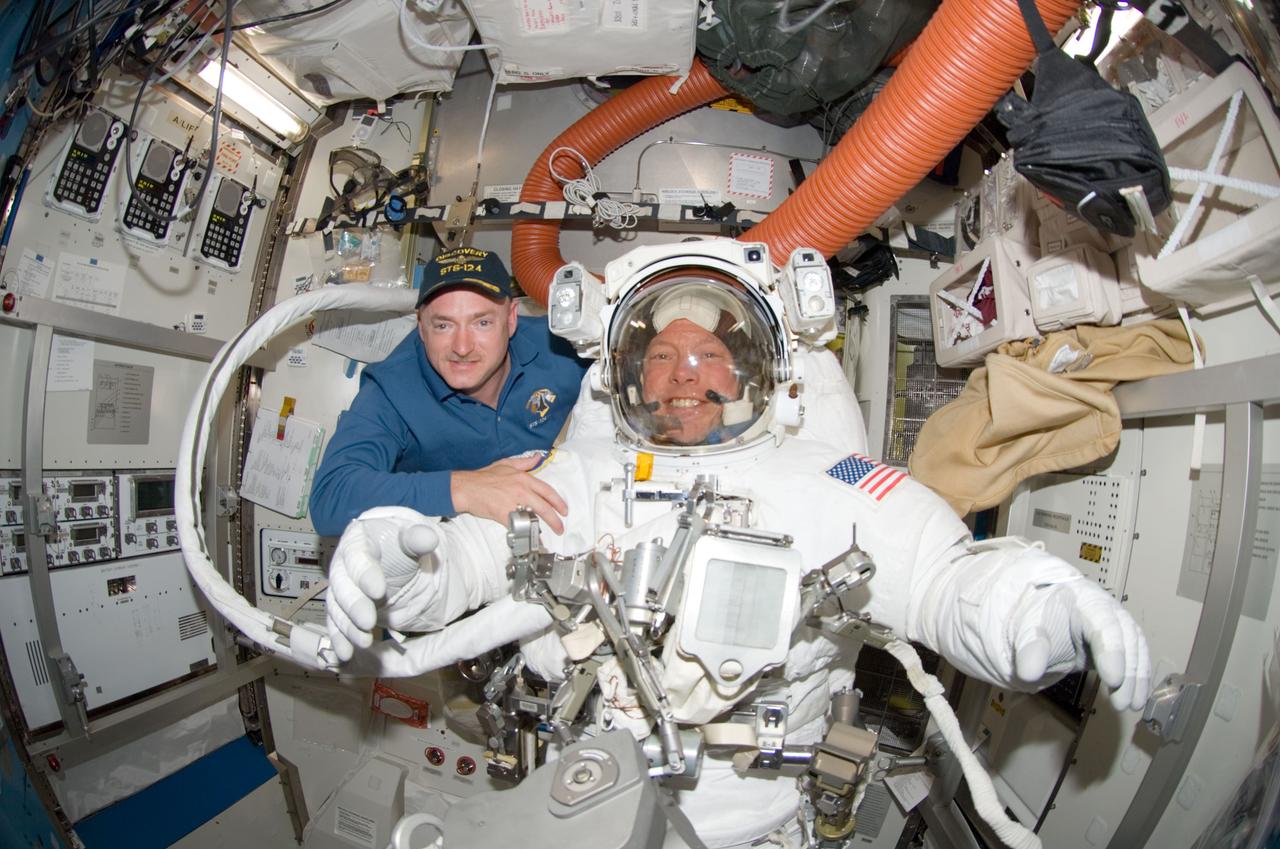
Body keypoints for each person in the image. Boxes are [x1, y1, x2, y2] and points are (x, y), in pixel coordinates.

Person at [320, 253, 1151, 847]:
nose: (687, 374)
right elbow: (463, 561)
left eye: (710, 354)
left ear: (752, 371)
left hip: (761, 820)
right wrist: (400, 566)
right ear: (630, 380)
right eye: (663, 357)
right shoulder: (580, 471)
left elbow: (942, 575)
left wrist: (1033, 606)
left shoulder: (830, 476)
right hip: (593, 804)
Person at [308, 247, 589, 537]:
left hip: (574, 514)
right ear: (421, 327)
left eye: (482, 322)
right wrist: (464, 488)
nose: (463, 347)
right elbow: (331, 496)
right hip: (463, 547)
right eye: (443, 325)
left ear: (511, 318)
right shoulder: (393, 390)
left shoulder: (562, 346)